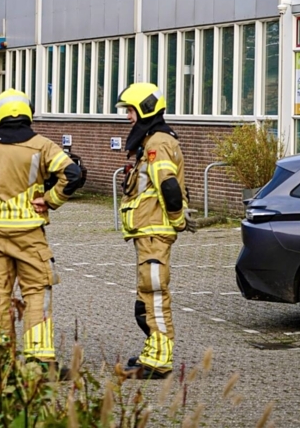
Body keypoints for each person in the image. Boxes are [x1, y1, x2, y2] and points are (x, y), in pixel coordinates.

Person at [0, 89, 84, 370]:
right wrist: (50, 200)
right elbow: (73, 175)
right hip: (29, 231)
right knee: (35, 291)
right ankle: (39, 360)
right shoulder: (42, 145)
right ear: (28, 113)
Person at [116, 82, 199, 379]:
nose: (127, 117)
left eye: (130, 110)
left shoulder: (157, 143)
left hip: (154, 232)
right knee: (146, 297)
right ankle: (151, 352)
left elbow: (168, 186)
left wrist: (176, 219)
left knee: (155, 295)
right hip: (147, 232)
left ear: (144, 109)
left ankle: (160, 360)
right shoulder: (153, 140)